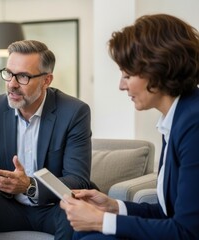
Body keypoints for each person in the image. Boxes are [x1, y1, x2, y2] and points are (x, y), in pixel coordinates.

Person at [60, 14, 199, 240]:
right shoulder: (177, 118)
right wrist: (114, 207)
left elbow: (187, 232)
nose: (121, 85)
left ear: (157, 68)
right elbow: (168, 213)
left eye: (127, 74)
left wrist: (100, 220)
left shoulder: (193, 122)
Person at [0, 39, 92, 239]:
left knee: (75, 212)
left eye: (23, 76)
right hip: (11, 207)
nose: (12, 84)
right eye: (9, 74)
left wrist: (30, 185)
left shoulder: (74, 112)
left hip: (55, 208)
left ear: (47, 80)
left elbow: (78, 180)